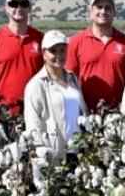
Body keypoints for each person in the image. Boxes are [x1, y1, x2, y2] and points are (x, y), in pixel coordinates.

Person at [65, 0, 125, 113]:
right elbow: (69, 79)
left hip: (118, 111)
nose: (103, 11)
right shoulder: (76, 42)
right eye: (99, 7)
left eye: (108, 8)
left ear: (114, 13)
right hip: (85, 112)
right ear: (90, 12)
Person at [0, 0, 44, 130]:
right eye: (14, 4)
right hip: (5, 114)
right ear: (6, 8)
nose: (19, 8)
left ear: (30, 8)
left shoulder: (40, 39)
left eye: (24, 4)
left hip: (36, 111)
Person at [23, 30, 83, 162]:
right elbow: (33, 123)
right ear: (44, 54)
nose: (59, 55)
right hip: (53, 153)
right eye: (53, 51)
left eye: (62, 50)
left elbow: (82, 111)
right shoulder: (36, 85)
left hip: (77, 150)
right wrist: (41, 152)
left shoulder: (72, 79)